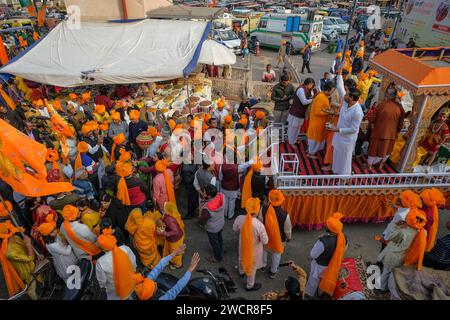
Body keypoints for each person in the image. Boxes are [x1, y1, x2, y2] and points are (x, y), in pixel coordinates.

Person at [378, 201, 428, 292]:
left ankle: (382, 288)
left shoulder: (403, 232)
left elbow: (390, 237)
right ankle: (391, 287)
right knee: (395, 273)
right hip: (406, 256)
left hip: (395, 255)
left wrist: (397, 226)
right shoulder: (422, 232)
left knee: (386, 272)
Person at [135, 245, 201, 300]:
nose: (155, 284)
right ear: (153, 294)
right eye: (154, 286)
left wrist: (174, 253)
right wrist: (190, 269)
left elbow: (158, 267)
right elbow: (177, 288)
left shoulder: (144, 287)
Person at [305, 213, 347, 298]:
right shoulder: (343, 237)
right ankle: (321, 293)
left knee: (313, 279)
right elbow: (344, 249)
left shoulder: (323, 242)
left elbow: (312, 254)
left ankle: (309, 294)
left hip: (320, 266)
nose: (325, 225)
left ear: (330, 229)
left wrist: (318, 241)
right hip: (332, 265)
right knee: (324, 279)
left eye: (327, 225)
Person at [233, 197, 268, 291]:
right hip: (254, 251)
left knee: (241, 258)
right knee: (252, 268)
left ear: (246, 208)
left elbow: (235, 229)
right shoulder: (259, 225)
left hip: (242, 246)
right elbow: (265, 241)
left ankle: (241, 272)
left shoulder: (240, 218)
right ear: (257, 210)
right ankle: (250, 285)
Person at [367, 87, 405, 170]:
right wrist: (396, 131)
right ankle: (381, 165)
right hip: (391, 134)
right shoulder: (400, 108)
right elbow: (401, 123)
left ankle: (369, 166)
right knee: (387, 151)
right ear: (395, 96)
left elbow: (371, 117)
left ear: (386, 94)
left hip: (378, 132)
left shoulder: (380, 104)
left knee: (373, 150)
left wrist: (372, 123)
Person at [95, 228, 137, 300]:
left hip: (114, 289)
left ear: (103, 248)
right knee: (129, 294)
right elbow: (133, 264)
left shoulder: (100, 262)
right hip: (130, 281)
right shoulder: (125, 248)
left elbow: (102, 281)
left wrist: (103, 286)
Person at [258, 190, 292, 279]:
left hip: (266, 236)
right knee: (276, 255)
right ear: (281, 200)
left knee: (264, 251)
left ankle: (263, 266)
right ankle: (273, 272)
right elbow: (287, 230)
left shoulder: (263, 209)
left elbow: (260, 222)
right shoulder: (285, 215)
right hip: (279, 239)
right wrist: (288, 238)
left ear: (270, 199)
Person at [329, 89, 364, 175]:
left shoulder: (358, 112)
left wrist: (337, 129)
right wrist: (339, 75)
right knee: (337, 156)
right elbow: (340, 87)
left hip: (347, 140)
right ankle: (337, 173)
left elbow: (354, 129)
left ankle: (344, 179)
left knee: (345, 160)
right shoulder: (346, 103)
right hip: (339, 137)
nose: (344, 95)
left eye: (346, 95)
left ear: (351, 98)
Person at [38, 215, 77, 282]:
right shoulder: (51, 245)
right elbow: (67, 252)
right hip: (64, 262)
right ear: (47, 235)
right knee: (70, 279)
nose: (55, 231)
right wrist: (69, 243)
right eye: (52, 231)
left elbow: (62, 240)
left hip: (67, 258)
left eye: (55, 229)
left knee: (75, 275)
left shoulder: (55, 237)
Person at [219, 149, 252, 219]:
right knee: (232, 202)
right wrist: (253, 160)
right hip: (233, 188)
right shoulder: (237, 168)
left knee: (225, 202)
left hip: (224, 187)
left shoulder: (222, 166)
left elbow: (220, 177)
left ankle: (225, 214)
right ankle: (230, 215)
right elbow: (246, 165)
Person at [306, 82, 336, 159]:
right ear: (327, 90)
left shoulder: (324, 96)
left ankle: (313, 150)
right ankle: (310, 153)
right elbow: (317, 112)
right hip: (317, 123)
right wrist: (328, 112)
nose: (332, 93)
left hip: (321, 122)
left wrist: (327, 110)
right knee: (314, 139)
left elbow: (323, 108)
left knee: (318, 138)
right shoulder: (321, 97)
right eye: (332, 91)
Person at [198, 184, 225, 263]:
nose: (203, 193)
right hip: (221, 223)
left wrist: (200, 215)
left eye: (204, 193)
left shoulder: (207, 209)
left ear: (209, 196)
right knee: (219, 237)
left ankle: (217, 257)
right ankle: (220, 249)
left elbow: (201, 221)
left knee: (214, 243)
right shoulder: (221, 196)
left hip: (212, 229)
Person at [287, 78, 314, 146]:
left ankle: (294, 140)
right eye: (312, 85)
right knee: (293, 128)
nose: (312, 87)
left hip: (300, 113)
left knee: (297, 128)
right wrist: (313, 100)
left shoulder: (306, 89)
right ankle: (291, 142)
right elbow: (304, 102)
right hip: (296, 112)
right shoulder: (301, 89)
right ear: (309, 84)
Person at [161, 202, 185, 270]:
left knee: (175, 251)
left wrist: (165, 233)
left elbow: (175, 231)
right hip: (178, 236)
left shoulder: (169, 219)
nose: (163, 207)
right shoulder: (174, 213)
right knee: (172, 249)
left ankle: (178, 264)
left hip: (174, 239)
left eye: (165, 207)